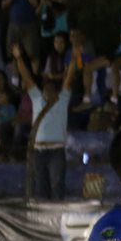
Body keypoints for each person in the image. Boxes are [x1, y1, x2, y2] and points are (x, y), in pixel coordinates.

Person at [12, 40, 74, 199]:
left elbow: (69, 78)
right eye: (45, 89)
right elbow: (27, 78)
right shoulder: (37, 98)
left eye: (51, 89)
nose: (47, 91)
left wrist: (75, 57)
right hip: (38, 150)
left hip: (56, 150)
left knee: (57, 184)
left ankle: (57, 216)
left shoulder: (62, 99)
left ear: (56, 91)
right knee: (40, 187)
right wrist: (19, 58)